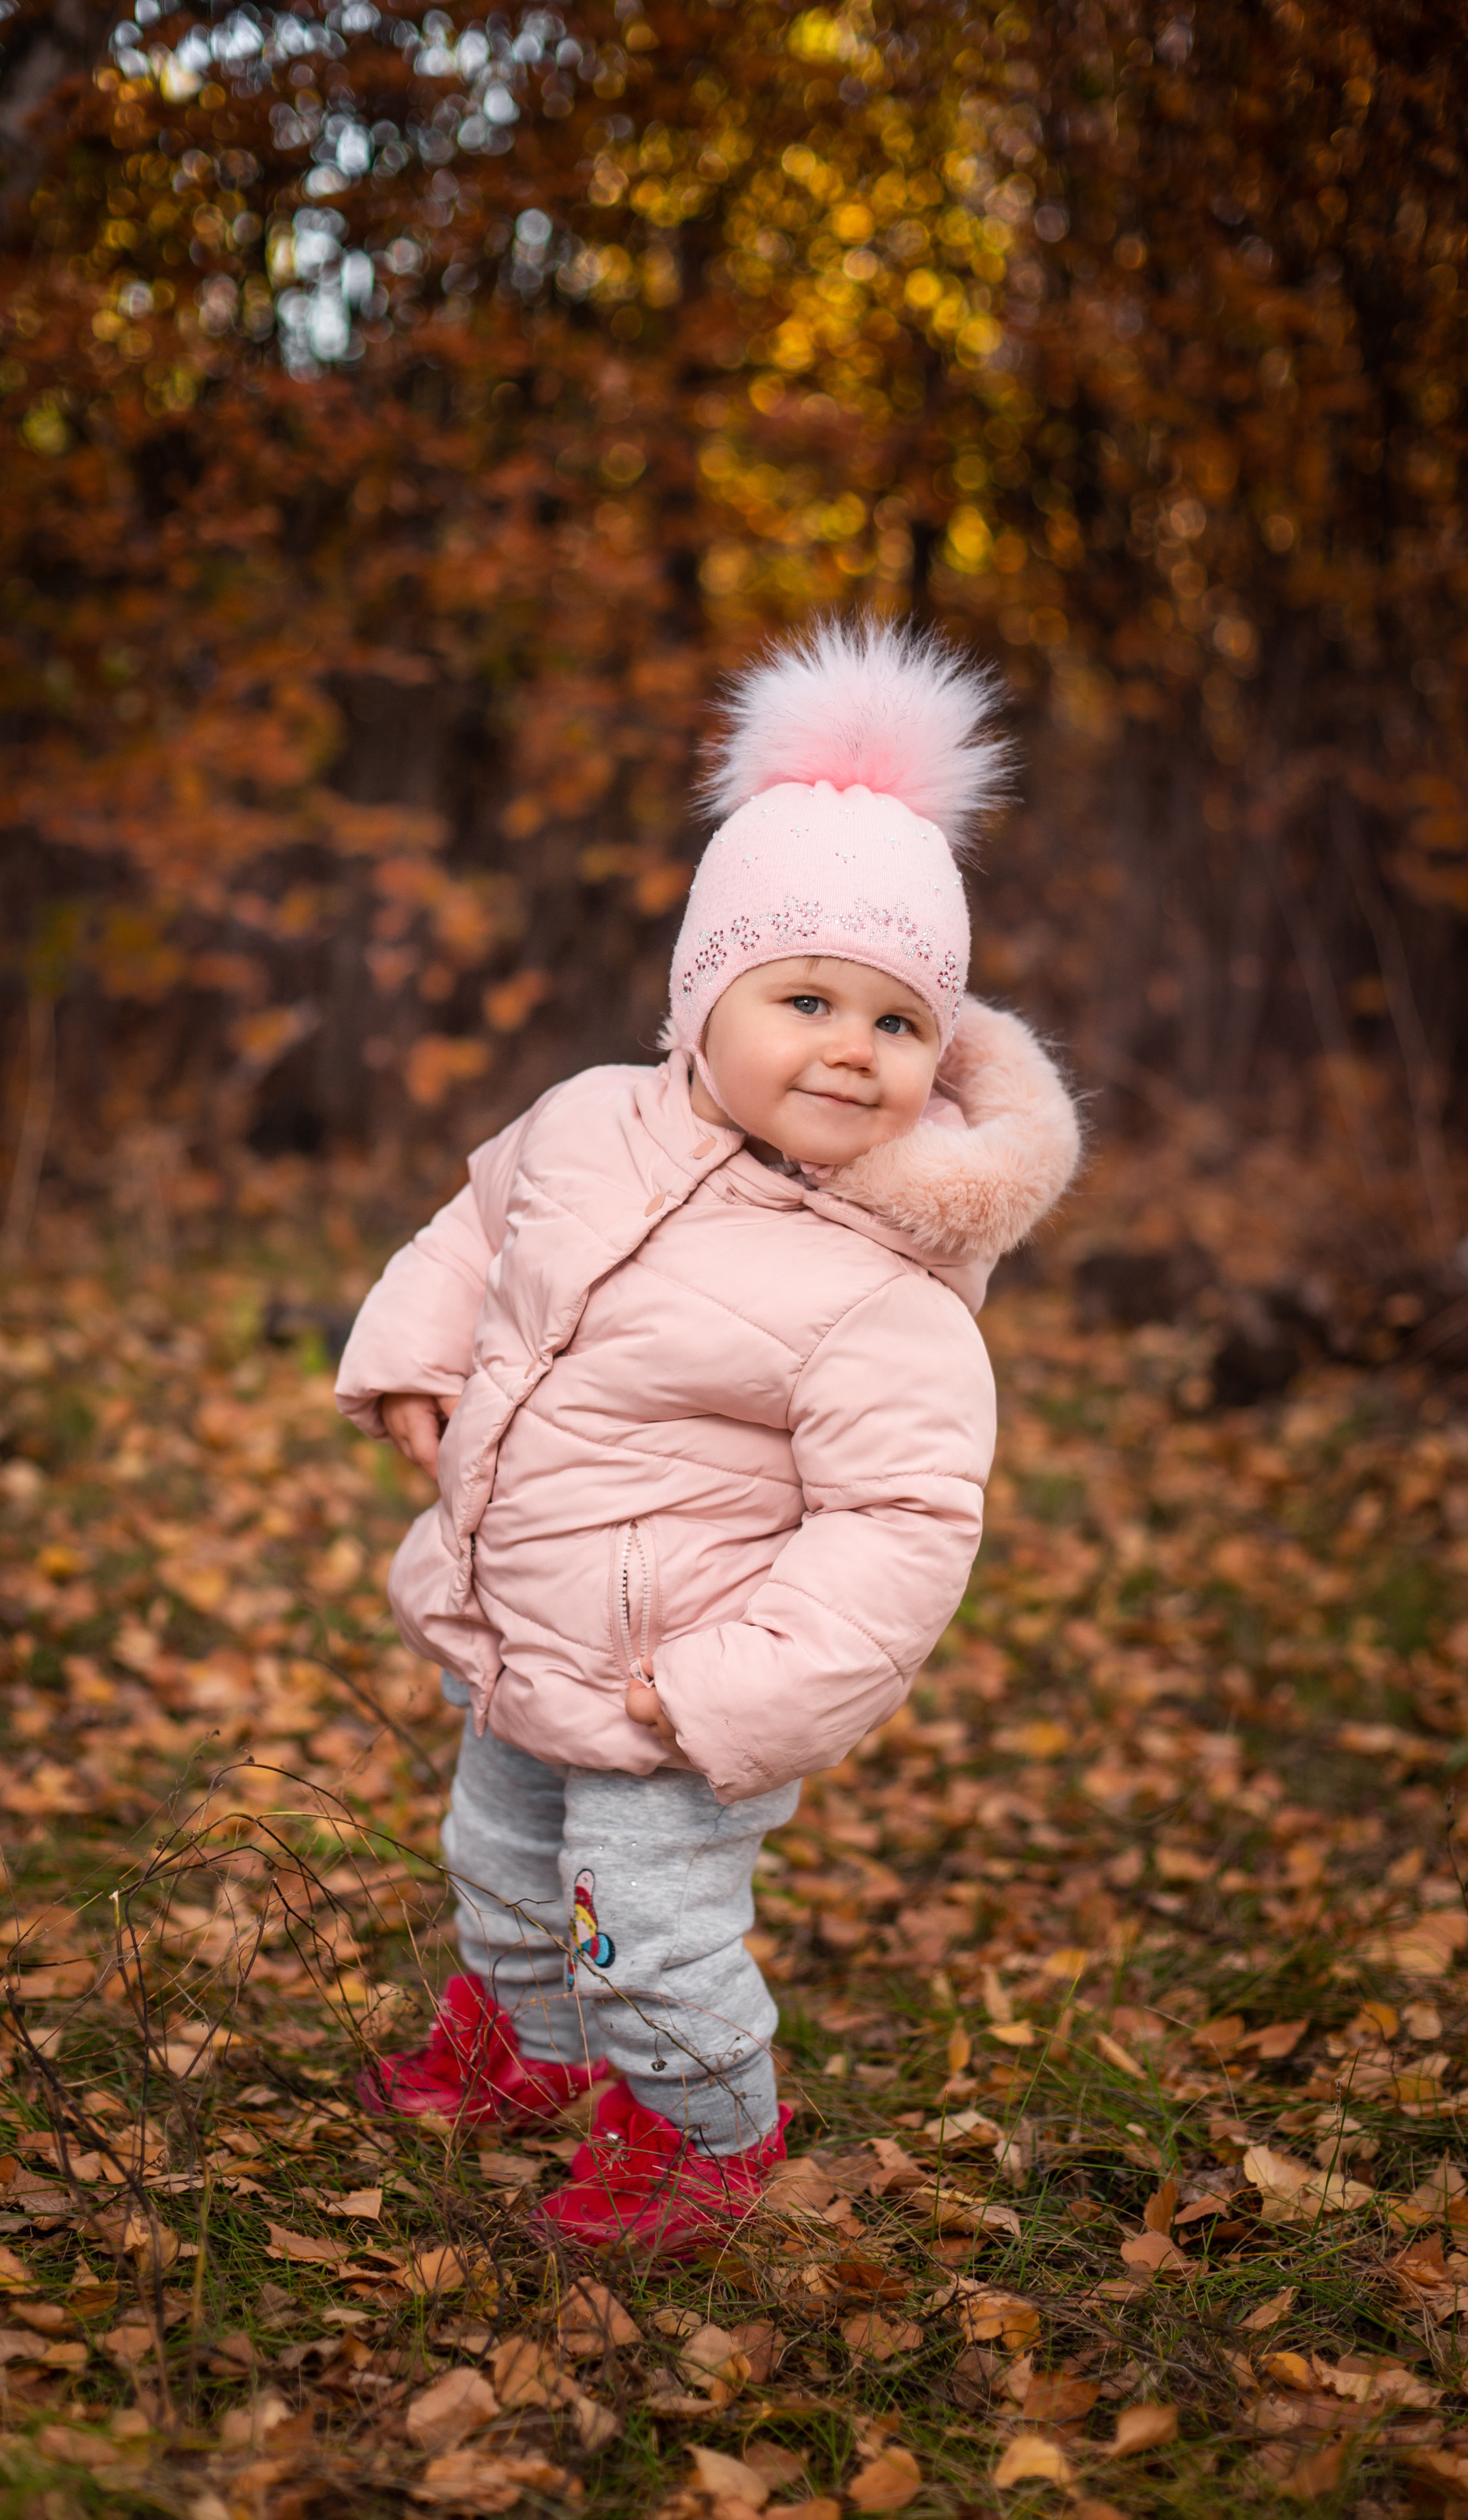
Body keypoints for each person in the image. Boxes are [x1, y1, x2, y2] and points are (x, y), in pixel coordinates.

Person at [334, 617, 1081, 2256]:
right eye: (804, 996)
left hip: (678, 1684)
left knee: (638, 1921)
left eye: (895, 1023)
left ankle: (697, 2136)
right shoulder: (588, 1121)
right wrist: (410, 1351)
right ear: (700, 998)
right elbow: (473, 1224)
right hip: (523, 1619)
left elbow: (902, 1523)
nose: (848, 1047)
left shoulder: (880, 1283)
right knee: (500, 1862)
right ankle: (526, 2050)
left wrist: (727, 1689)